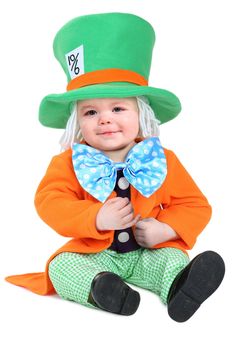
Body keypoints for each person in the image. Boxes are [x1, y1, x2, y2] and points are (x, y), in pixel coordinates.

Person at [6, 13, 225, 322]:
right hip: (95, 253)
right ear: (77, 121)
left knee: (172, 256)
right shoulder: (67, 162)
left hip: (147, 252)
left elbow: (194, 203)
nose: (104, 119)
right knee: (61, 266)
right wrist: (94, 216)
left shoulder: (163, 159)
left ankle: (179, 286)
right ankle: (102, 290)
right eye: (91, 111)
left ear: (142, 114)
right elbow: (49, 202)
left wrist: (167, 228)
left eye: (118, 108)